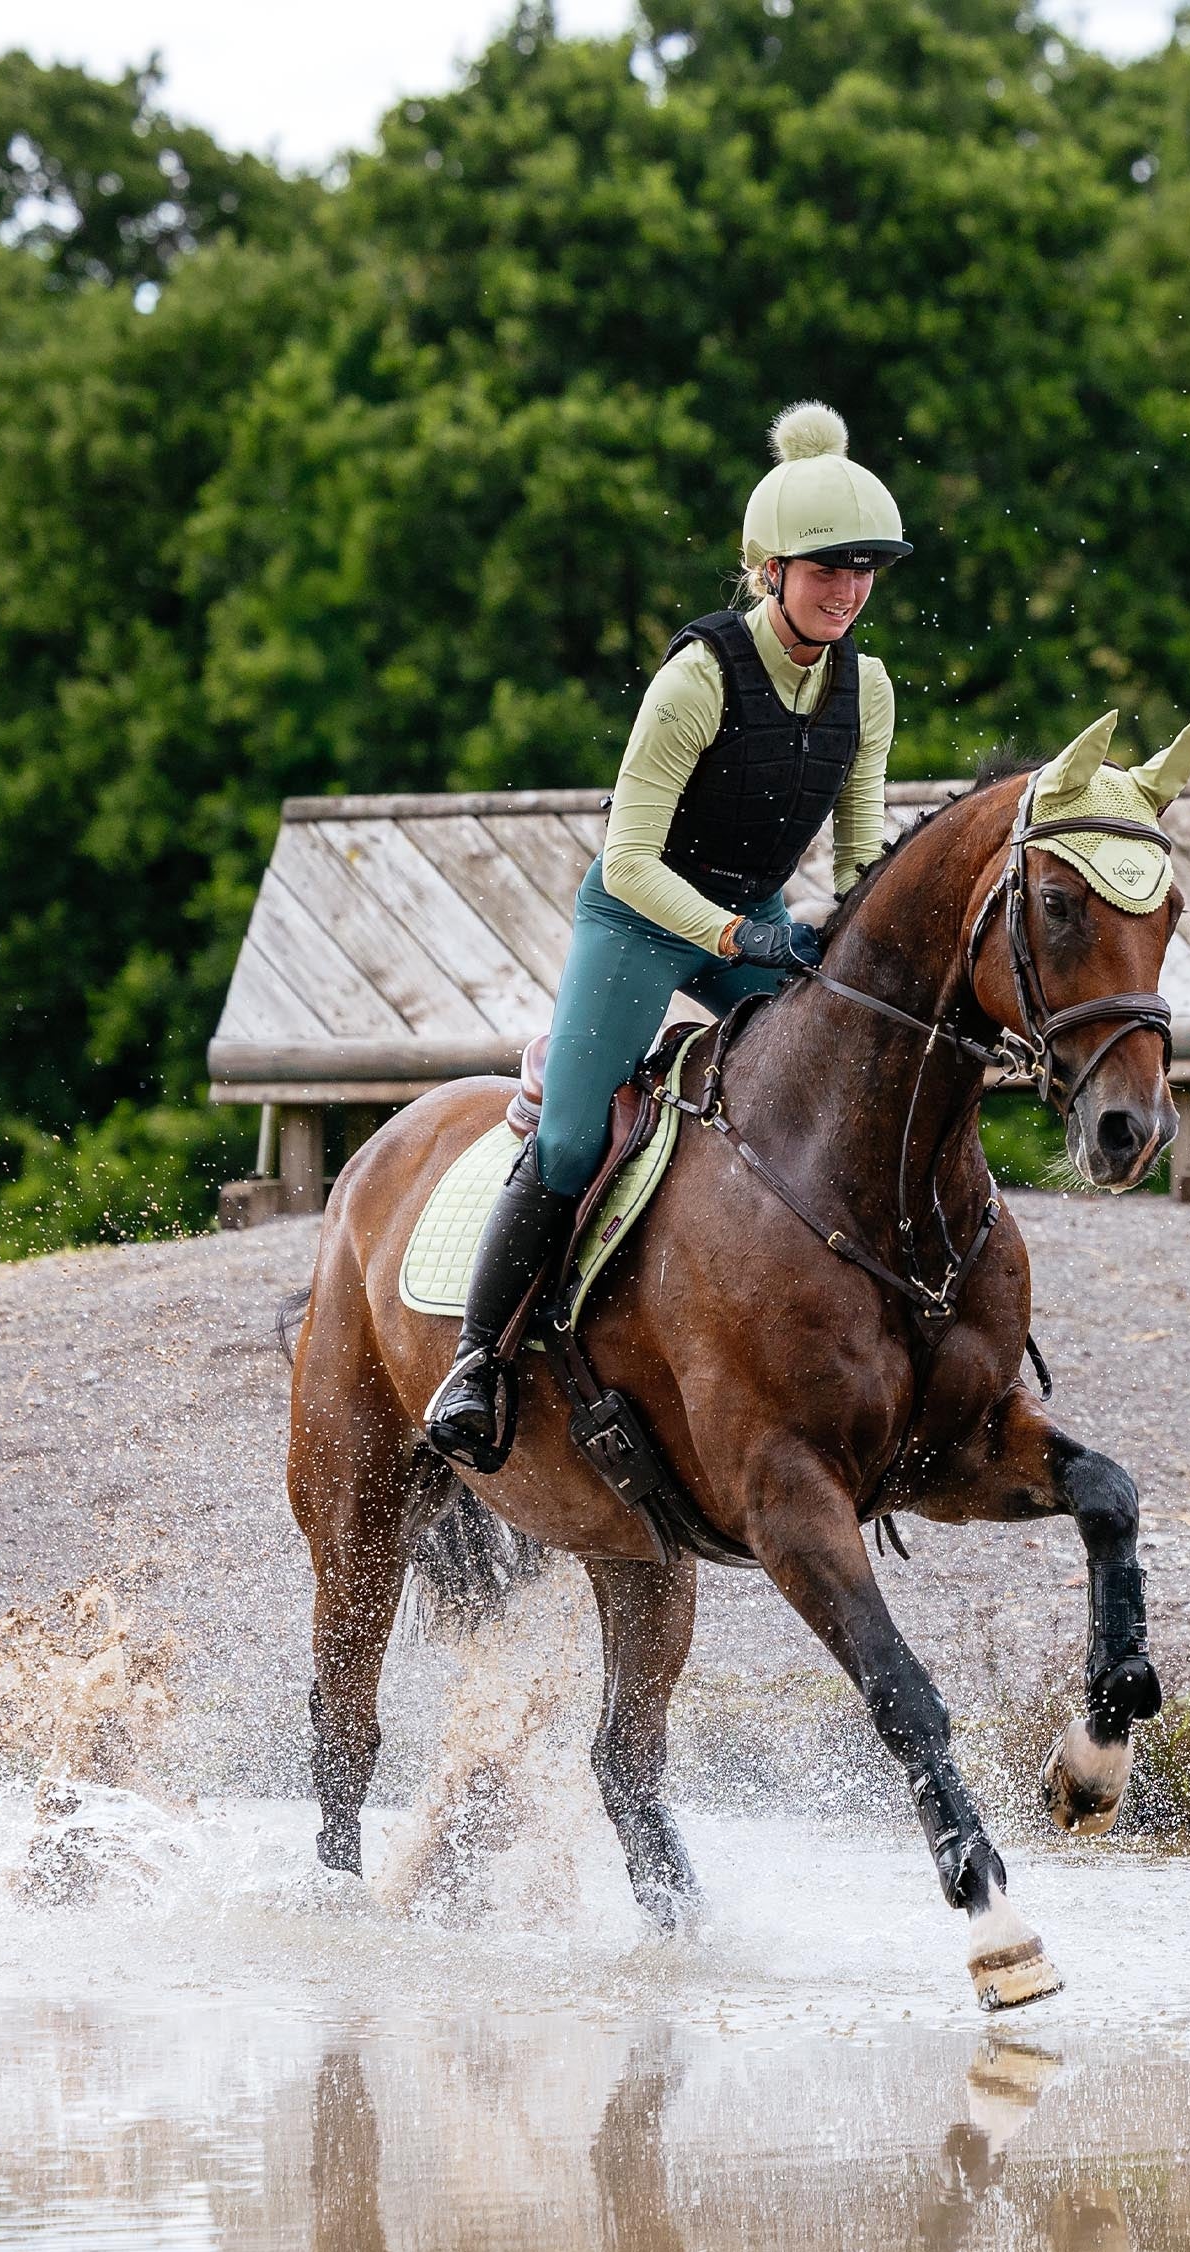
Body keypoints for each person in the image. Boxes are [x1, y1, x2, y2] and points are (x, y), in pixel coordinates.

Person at [426, 400, 912, 1471]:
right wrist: (744, 937)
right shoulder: (697, 677)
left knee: (849, 1086)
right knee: (565, 1139)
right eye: (826, 567)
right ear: (769, 569)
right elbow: (632, 860)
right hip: (643, 917)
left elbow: (861, 851)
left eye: (865, 568)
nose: (847, 588)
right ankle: (477, 1361)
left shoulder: (865, 687)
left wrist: (851, 937)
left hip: (759, 922)